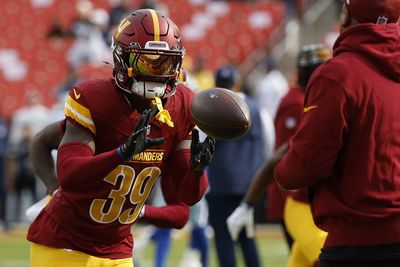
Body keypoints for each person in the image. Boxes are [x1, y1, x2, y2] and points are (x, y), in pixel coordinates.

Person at [26, 9, 215, 267]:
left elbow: (187, 202)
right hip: (65, 243)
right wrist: (121, 154)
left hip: (117, 249)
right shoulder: (96, 101)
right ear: (121, 59)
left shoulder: (181, 106)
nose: (156, 73)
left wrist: (197, 170)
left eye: (165, 63)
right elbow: (69, 175)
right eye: (145, 62)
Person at [274, 1, 400, 266]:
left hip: (358, 244)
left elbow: (307, 165)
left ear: (345, 12)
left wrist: (281, 171)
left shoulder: (337, 74)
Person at [227, 44, 331, 267]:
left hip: (309, 201)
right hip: (298, 200)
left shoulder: (315, 98)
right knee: (324, 259)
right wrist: (249, 202)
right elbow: (285, 154)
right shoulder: (296, 101)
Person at [206, 64, 275, 267]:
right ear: (236, 82)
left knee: (224, 239)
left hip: (220, 183)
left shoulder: (211, 108)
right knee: (247, 237)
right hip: (249, 184)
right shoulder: (257, 108)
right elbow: (269, 144)